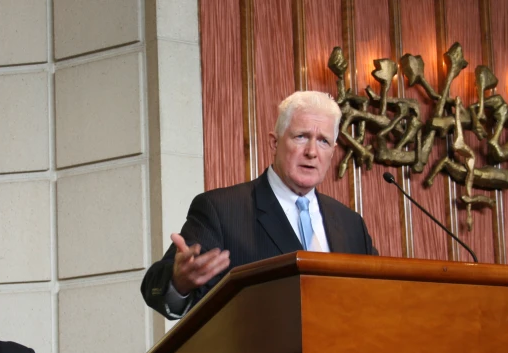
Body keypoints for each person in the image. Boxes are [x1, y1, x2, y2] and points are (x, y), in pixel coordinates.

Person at [142, 91, 378, 319]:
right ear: (274, 142)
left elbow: (381, 293)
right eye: (301, 137)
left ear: (333, 152)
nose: (312, 152)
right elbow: (155, 285)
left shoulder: (351, 223)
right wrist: (178, 283)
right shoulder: (221, 210)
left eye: (323, 141)